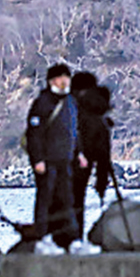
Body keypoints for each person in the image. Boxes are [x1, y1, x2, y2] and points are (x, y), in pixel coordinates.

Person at [25, 62, 85, 250]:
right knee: (45, 199)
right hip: (47, 161)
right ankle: (42, 237)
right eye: (61, 77)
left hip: (65, 160)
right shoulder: (42, 103)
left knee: (67, 200)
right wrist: (37, 159)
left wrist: (79, 153)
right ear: (52, 80)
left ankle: (70, 238)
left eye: (66, 77)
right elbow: (33, 134)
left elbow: (74, 131)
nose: (64, 81)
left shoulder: (70, 102)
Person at [70, 71, 114, 243]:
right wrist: (102, 182)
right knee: (78, 204)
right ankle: (76, 241)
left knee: (63, 206)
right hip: (84, 167)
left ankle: (65, 241)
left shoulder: (72, 107)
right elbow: (103, 155)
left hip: (64, 164)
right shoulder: (98, 113)